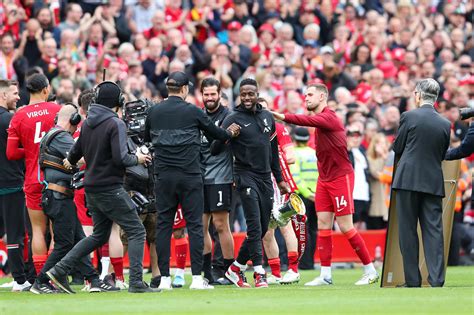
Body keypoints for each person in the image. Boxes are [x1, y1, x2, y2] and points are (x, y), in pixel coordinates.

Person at [46, 81, 157, 294]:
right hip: (111, 187)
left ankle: (60, 270)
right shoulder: (116, 123)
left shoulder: (87, 123)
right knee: (136, 231)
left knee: (98, 236)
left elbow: (73, 155)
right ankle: (135, 282)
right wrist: (139, 158)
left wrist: (75, 160)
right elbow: (121, 158)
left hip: (91, 187)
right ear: (118, 101)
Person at [272, 83, 379, 286]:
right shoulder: (322, 121)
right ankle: (326, 275)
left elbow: (306, 120)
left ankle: (370, 270)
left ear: (322, 97)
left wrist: (282, 116)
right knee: (323, 226)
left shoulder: (329, 117)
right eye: (305, 95)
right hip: (324, 179)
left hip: (341, 177)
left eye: (310, 94)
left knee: (346, 226)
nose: (306, 98)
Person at [144, 71, 239, 290]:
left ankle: (165, 278)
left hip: (164, 176)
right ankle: (197, 278)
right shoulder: (193, 111)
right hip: (190, 176)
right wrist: (230, 133)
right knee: (196, 226)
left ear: (169, 89)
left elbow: (147, 139)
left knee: (164, 226)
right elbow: (218, 135)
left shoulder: (154, 111)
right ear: (185, 89)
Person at [213, 78, 290, 288]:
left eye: (251, 94)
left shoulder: (267, 116)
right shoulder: (232, 118)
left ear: (257, 94)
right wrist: (228, 135)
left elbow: (273, 152)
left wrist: (280, 179)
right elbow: (214, 148)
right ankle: (259, 273)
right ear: (240, 95)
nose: (247, 98)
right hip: (244, 176)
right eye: (244, 94)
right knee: (255, 226)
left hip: (266, 178)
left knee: (263, 227)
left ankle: (235, 268)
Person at [31, 104, 116, 294]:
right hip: (59, 196)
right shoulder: (61, 136)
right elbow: (80, 158)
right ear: (74, 120)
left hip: (57, 195)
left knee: (79, 239)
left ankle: (93, 279)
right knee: (65, 244)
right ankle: (41, 281)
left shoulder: (52, 134)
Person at [392, 78, 450, 287]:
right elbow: (442, 154)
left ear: (417, 95)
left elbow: (398, 147)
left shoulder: (409, 116)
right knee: (434, 231)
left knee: (407, 231)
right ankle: (436, 280)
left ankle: (413, 280)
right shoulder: (445, 123)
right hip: (433, 182)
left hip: (407, 180)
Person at [6, 73, 61, 277]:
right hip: (56, 177)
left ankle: (40, 278)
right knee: (57, 230)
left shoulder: (18, 116)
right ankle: (54, 276)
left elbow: (11, 153)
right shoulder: (57, 110)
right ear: (46, 89)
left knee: (37, 230)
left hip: (32, 178)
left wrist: (31, 150)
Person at [259, 97, 301, 285]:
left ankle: (293, 269)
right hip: (261, 182)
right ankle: (275, 273)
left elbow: (290, 155)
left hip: (280, 181)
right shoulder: (251, 128)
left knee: (285, 225)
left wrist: (274, 158)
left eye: (266, 109)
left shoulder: (278, 128)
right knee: (267, 231)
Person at [200, 77, 235, 284]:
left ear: (220, 94)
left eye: (213, 94)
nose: (210, 98)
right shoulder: (198, 115)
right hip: (200, 177)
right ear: (202, 95)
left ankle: (230, 272)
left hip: (221, 177)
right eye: (206, 94)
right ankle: (207, 274)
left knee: (222, 225)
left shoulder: (228, 116)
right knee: (201, 227)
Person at [0, 80, 32, 292]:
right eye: (14, 93)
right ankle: (20, 279)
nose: (18, 97)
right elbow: (22, 150)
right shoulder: (10, 120)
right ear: (3, 96)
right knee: (15, 234)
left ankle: (17, 277)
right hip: (11, 183)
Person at [289, 127, 319, 270]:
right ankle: (310, 262)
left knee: (301, 231)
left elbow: (296, 178)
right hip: (317, 195)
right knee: (313, 230)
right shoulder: (314, 153)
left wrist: (307, 194)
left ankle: (304, 263)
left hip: (302, 197)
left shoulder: (293, 154)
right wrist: (315, 194)